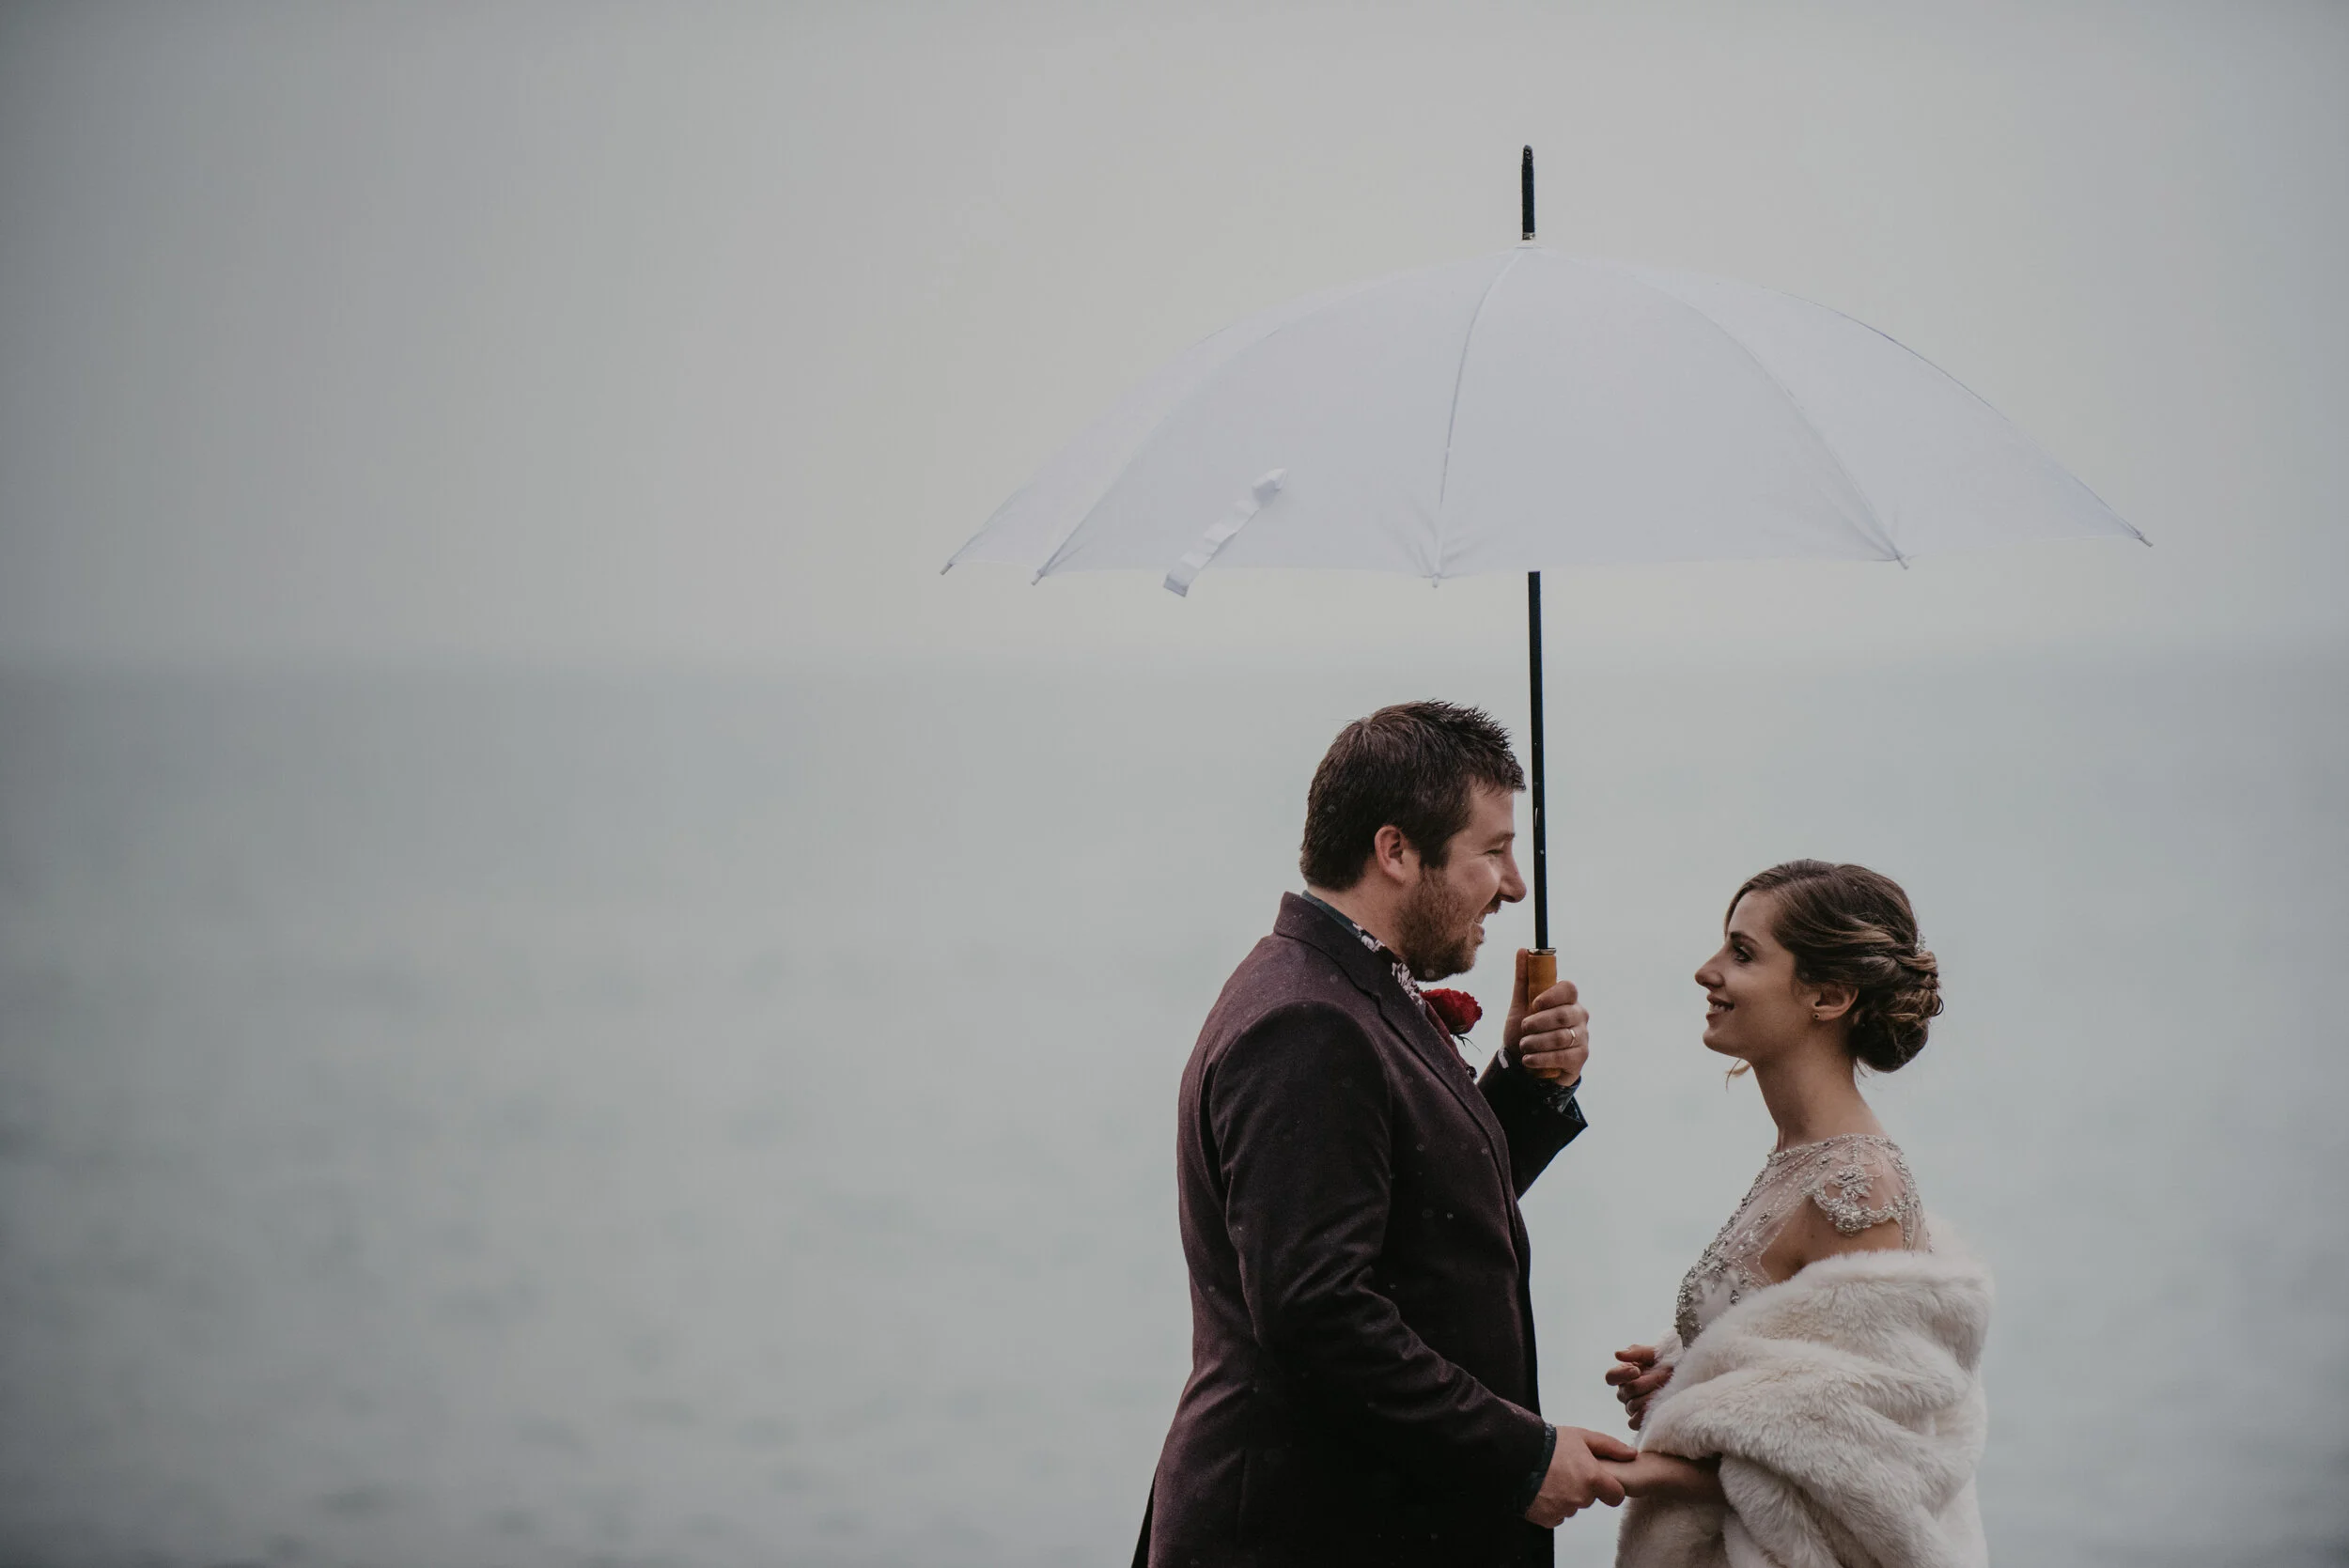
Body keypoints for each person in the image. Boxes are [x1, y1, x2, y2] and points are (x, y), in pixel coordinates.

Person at [1134, 702, 1635, 1568]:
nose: (1514, 884)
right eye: (1492, 850)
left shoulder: (1344, 985)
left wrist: (1519, 1081)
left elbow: (1412, 1216)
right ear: (1396, 850)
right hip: (1310, 1532)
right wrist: (1522, 1457)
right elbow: (1316, 1309)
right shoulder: (1304, 1021)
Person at [1598, 861, 1993, 1568]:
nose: (1706, 970)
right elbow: (1802, 1383)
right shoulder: (1801, 1155)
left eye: (1742, 953)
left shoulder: (1857, 1188)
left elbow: (1859, 1473)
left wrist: (1642, 1467)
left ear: (1830, 995)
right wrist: (1688, 1374)